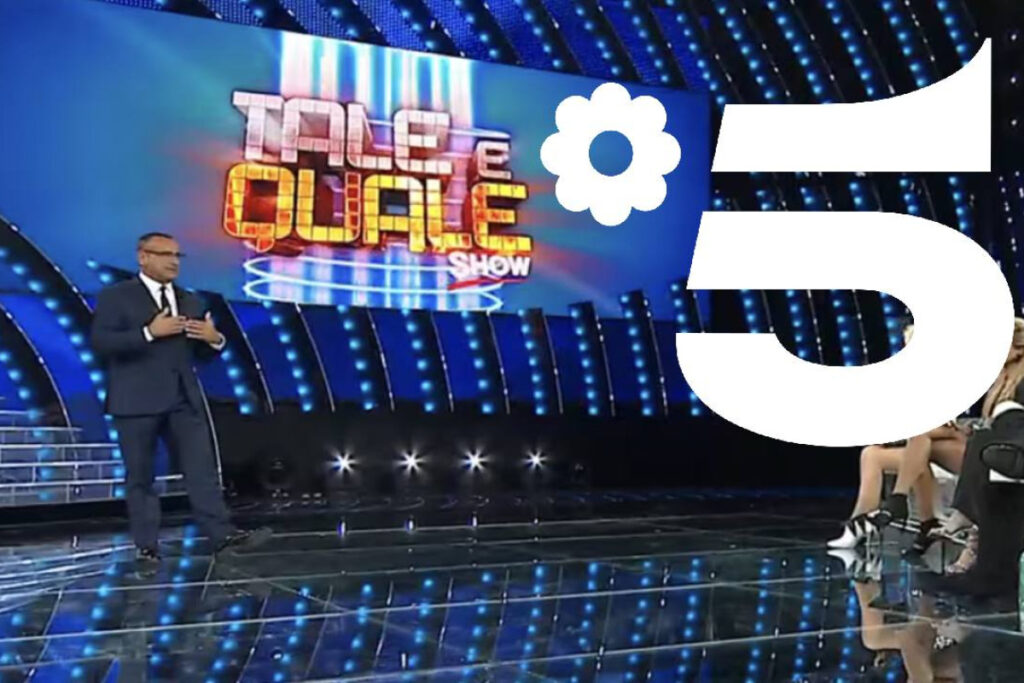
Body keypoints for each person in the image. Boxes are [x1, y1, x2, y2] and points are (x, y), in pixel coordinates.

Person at [91, 232, 270, 564]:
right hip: (135, 401)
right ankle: (147, 546)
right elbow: (101, 343)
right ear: (143, 257)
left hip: (183, 400)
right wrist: (149, 333)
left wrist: (214, 340)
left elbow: (200, 354)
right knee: (141, 477)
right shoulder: (116, 296)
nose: (173, 261)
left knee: (202, 471)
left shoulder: (190, 301)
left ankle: (223, 536)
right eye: (164, 254)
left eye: (177, 255)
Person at [827, 323, 968, 553]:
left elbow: (948, 430)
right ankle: (916, 521)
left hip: (957, 448)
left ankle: (878, 516)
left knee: (910, 444)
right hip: (925, 447)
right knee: (874, 453)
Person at [919, 318, 1024, 593]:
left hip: (1014, 446)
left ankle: (961, 518)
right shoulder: (1000, 378)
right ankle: (962, 524)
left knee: (994, 427)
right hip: (996, 449)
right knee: (973, 438)